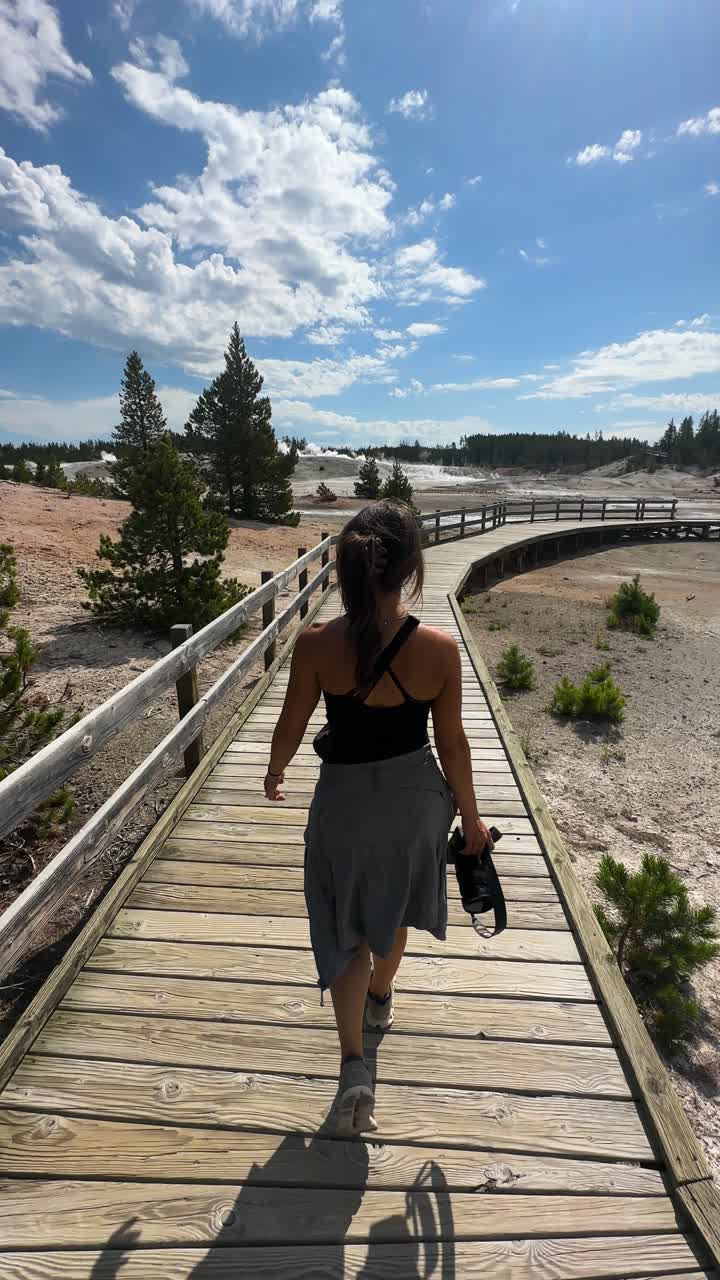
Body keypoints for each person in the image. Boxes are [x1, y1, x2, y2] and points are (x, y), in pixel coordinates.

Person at [264, 500, 494, 1135]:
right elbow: (453, 745)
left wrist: (276, 771)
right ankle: (381, 997)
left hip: (342, 804)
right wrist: (472, 820)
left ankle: (353, 1066)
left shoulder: (317, 645)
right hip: (415, 804)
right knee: (391, 913)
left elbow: (291, 723)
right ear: (411, 571)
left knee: (346, 927)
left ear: (345, 571)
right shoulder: (439, 650)